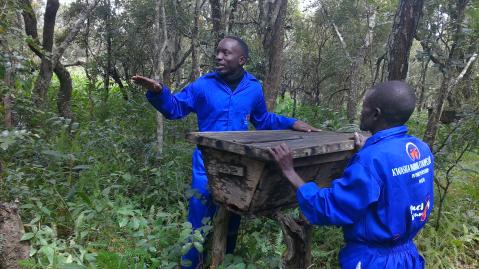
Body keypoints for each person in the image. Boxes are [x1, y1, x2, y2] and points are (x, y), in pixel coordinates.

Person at [132, 36, 318, 269]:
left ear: (241, 60)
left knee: (231, 222)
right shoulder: (203, 85)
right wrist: (159, 91)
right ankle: (190, 265)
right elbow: (175, 108)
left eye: (226, 53)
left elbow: (263, 119)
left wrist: (292, 122)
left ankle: (222, 263)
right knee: (198, 222)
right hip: (205, 167)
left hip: (241, 167)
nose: (218, 57)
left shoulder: (253, 88)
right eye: (217, 52)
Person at [269, 81, 434, 269]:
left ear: (375, 114)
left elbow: (329, 207)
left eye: (364, 107)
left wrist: (290, 172)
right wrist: (371, 146)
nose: (360, 112)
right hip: (407, 256)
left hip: (374, 261)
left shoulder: (370, 161)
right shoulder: (421, 149)